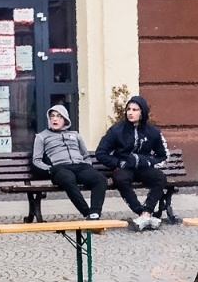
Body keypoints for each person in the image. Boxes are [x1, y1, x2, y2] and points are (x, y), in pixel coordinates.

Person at [96, 94, 168, 230]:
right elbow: (101, 153)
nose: (130, 113)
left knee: (160, 178)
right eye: (129, 109)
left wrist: (147, 161)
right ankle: (140, 212)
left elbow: (162, 155)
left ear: (142, 112)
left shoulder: (152, 132)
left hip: (142, 168)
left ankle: (147, 212)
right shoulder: (117, 130)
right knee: (120, 179)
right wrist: (118, 163)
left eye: (135, 110)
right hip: (124, 167)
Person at [32, 103, 106, 219]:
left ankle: (95, 212)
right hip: (60, 168)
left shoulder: (75, 135)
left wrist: (87, 166)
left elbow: (85, 155)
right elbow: (36, 160)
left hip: (80, 166)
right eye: (52, 116)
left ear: (65, 119)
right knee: (68, 178)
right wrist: (50, 170)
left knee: (100, 179)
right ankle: (87, 213)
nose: (55, 119)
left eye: (59, 116)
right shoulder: (41, 137)